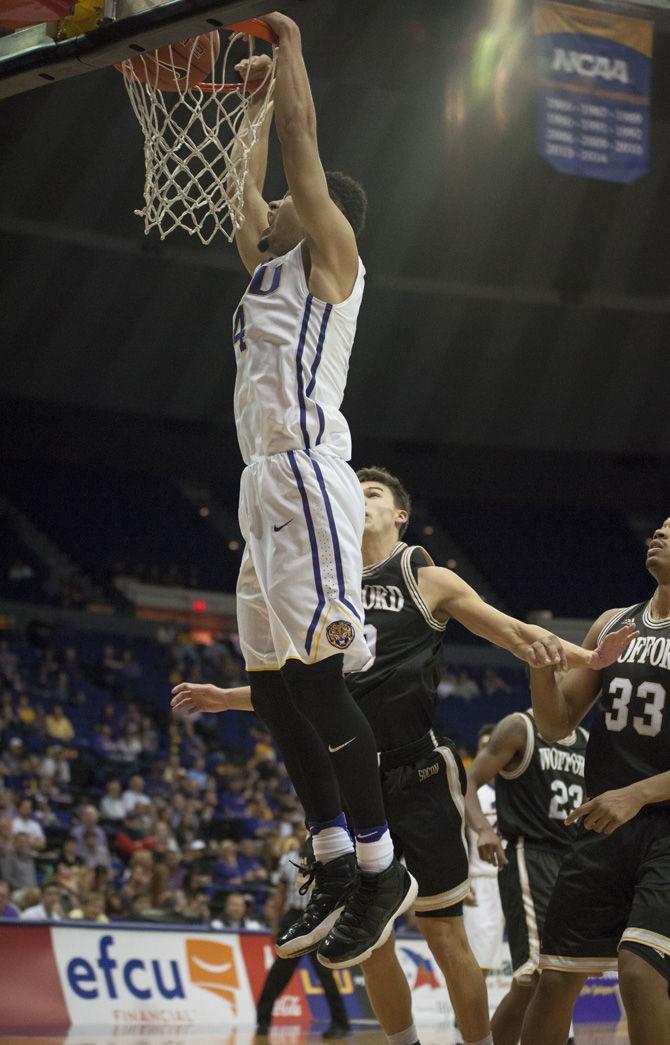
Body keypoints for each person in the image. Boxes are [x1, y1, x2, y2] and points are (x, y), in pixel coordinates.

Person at [172, 467, 632, 1045]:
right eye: (353, 494)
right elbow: (304, 688)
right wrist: (234, 698)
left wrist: (588, 660)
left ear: (400, 515)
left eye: (373, 494)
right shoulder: (320, 586)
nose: (360, 502)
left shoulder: (425, 576)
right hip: (349, 776)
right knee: (372, 942)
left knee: (444, 935)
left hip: (415, 771)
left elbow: (513, 633)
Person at [224, 9, 416, 970]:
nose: (274, 212)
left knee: (314, 678)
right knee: (270, 691)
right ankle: (335, 854)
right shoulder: (268, 270)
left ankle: (381, 867)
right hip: (261, 482)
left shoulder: (333, 259)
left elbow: (302, 152)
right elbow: (238, 199)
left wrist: (289, 56)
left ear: (320, 210)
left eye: (290, 203)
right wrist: (249, 106)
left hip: (307, 475)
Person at [521, 517, 670, 1045]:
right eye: (660, 526)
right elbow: (557, 724)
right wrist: (540, 667)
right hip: (603, 824)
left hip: (663, 827)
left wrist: (639, 793)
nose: (659, 532)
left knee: (640, 968)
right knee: (556, 977)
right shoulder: (613, 623)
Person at [468, 708, 588, 1045]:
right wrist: (482, 830)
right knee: (537, 977)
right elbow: (469, 782)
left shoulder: (587, 742)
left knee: (553, 981)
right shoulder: (520, 727)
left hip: (573, 862)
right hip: (529, 855)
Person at [256, 837, 351, 1039]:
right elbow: (280, 896)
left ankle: (341, 1023)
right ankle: (262, 1020)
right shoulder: (287, 859)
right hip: (293, 917)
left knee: (325, 973)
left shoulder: (327, 860)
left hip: (319, 918)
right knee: (279, 973)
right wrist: (275, 927)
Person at [462, 725, 506, 976]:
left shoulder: (516, 788)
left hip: (515, 879)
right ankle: (463, 1018)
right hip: (483, 883)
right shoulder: (471, 793)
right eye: (483, 747)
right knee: (479, 964)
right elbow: (455, 837)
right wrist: (461, 880)